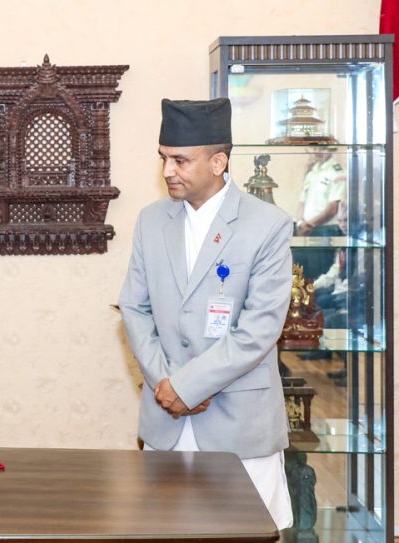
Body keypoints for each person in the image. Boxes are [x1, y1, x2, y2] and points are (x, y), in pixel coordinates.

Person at [119, 98, 294, 529]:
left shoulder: (267, 225)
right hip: (166, 421)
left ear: (218, 162)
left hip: (239, 427)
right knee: (163, 533)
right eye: (163, 158)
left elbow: (259, 329)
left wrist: (188, 385)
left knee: (244, 534)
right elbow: (135, 308)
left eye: (180, 160)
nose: (167, 171)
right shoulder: (151, 221)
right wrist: (167, 384)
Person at [294, 147, 347, 279]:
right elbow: (302, 202)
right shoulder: (312, 172)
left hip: (325, 230)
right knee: (303, 273)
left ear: (330, 149)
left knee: (320, 274)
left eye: (321, 148)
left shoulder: (336, 172)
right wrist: (300, 223)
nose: (317, 151)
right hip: (306, 230)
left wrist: (309, 225)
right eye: (314, 147)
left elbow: (333, 208)